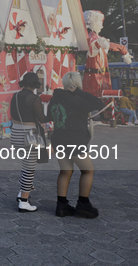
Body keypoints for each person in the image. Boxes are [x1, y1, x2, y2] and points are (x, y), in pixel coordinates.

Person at [48, 72, 105, 218]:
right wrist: (79, 92)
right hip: (74, 140)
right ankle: (83, 205)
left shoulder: (55, 99)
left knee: (65, 171)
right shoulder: (77, 100)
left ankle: (61, 206)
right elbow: (99, 103)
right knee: (88, 171)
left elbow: (49, 116)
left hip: (59, 139)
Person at [10, 72, 49, 212]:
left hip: (15, 132)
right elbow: (42, 118)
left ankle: (22, 193)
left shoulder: (15, 96)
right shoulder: (34, 98)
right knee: (29, 168)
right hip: (29, 135)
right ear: (35, 85)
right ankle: (24, 202)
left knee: (26, 164)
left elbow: (12, 114)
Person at [82, 10, 132, 97]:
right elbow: (95, 43)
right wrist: (123, 50)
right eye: (100, 22)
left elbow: (106, 44)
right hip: (94, 76)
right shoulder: (92, 38)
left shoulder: (97, 38)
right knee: (96, 94)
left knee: (104, 94)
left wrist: (123, 49)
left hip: (101, 74)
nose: (102, 26)